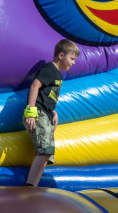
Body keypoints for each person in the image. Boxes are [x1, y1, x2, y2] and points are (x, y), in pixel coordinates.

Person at [23, 39, 80, 187]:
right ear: (61, 55)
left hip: (46, 114)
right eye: (72, 59)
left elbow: (47, 95)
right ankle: (29, 186)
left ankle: (32, 186)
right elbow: (35, 86)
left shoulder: (59, 75)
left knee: (47, 155)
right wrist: (31, 111)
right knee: (45, 151)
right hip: (38, 114)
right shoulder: (49, 69)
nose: (73, 63)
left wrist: (53, 112)